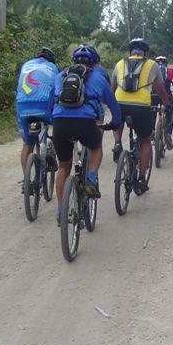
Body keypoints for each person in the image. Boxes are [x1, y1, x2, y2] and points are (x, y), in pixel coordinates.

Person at [52, 44, 121, 221]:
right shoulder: (99, 77)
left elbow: (50, 101)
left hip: (60, 123)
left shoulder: (60, 76)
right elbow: (113, 104)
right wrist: (115, 122)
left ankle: (61, 212)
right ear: (95, 62)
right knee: (95, 147)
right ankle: (91, 178)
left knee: (64, 167)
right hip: (85, 123)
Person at [111, 38, 170, 193]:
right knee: (145, 140)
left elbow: (113, 87)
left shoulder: (119, 64)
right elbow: (161, 89)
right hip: (142, 107)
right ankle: (142, 178)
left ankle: (117, 143)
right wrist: (167, 104)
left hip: (120, 103)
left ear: (130, 52)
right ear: (145, 52)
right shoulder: (153, 65)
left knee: (118, 118)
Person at [15, 47, 59, 174]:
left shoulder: (26, 65)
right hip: (43, 106)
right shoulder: (53, 68)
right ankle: (52, 150)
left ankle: (27, 180)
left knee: (27, 145)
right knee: (58, 123)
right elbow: (57, 91)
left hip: (22, 106)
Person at [154, 55, 173, 150]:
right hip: (166, 96)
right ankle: (168, 134)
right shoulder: (170, 71)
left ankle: (151, 131)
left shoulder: (152, 70)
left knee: (151, 112)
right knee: (170, 115)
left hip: (153, 96)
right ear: (166, 63)